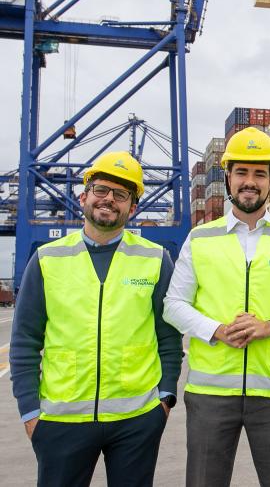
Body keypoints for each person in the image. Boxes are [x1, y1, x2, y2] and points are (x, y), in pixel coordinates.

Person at [163, 127, 270, 487]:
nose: (249, 182)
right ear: (228, 177)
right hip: (210, 394)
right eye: (241, 172)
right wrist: (218, 331)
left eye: (259, 174)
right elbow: (173, 305)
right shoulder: (200, 238)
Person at [10, 151, 182, 486]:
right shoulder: (47, 259)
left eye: (121, 194)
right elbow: (24, 342)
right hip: (61, 420)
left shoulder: (155, 259)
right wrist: (31, 413)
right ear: (83, 196)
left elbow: (169, 338)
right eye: (101, 190)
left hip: (137, 419)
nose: (109, 200)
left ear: (133, 207)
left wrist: (165, 399)